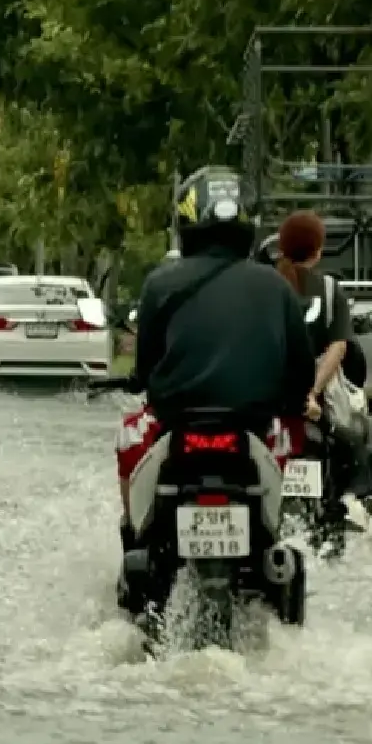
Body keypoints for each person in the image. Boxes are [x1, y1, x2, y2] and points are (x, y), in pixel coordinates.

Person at [115, 167, 317, 589]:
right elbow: (302, 369)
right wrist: (294, 403)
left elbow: (146, 367)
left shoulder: (160, 283)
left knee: (126, 441)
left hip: (179, 424)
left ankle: (133, 537)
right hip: (253, 428)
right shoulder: (277, 288)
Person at [272, 210, 372, 551]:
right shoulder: (330, 292)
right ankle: (348, 502)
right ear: (317, 251)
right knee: (353, 441)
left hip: (268, 399)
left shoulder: (263, 286)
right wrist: (311, 393)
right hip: (315, 407)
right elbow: (338, 347)